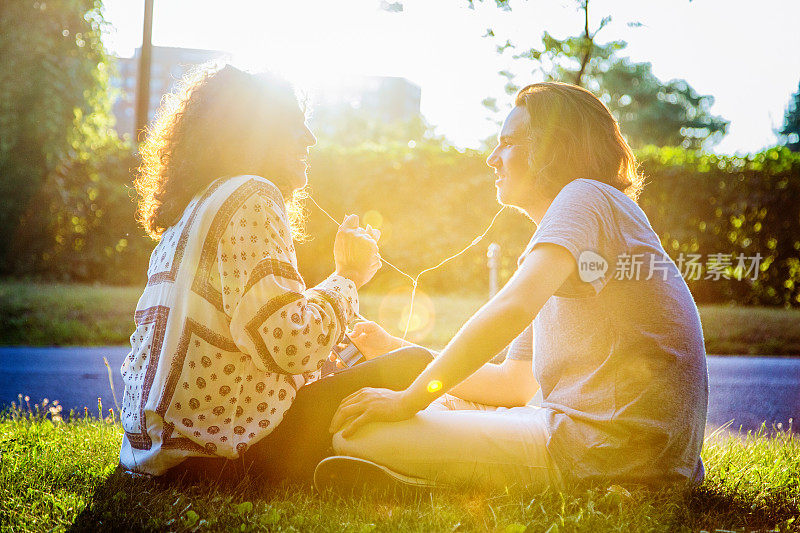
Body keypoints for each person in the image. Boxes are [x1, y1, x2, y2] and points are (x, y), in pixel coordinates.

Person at [323, 82, 709, 491]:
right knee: (420, 404)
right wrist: (394, 349)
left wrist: (406, 400)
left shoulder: (585, 197)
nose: (492, 159)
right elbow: (512, 385)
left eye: (506, 143)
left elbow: (511, 309)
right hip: (612, 444)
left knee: (354, 433)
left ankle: (430, 482)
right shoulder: (577, 233)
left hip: (609, 452)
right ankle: (430, 471)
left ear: (553, 149)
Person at [119, 65, 433, 482]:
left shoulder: (197, 206)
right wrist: (348, 276)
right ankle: (386, 463)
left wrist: (333, 325)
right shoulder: (253, 194)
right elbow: (288, 346)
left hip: (153, 453)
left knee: (357, 356)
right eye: (294, 126)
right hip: (219, 459)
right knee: (415, 365)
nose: (310, 139)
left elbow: (260, 331)